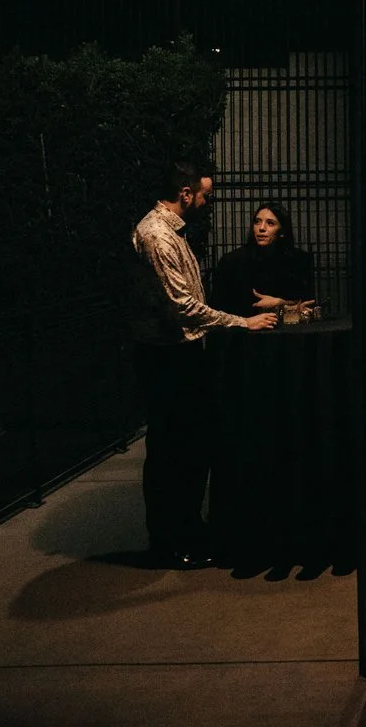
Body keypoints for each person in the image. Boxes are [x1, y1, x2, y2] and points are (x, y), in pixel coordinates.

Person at [129, 159, 277, 569]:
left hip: (178, 352)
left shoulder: (171, 232)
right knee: (173, 451)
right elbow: (183, 307)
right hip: (167, 355)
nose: (210, 203)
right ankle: (171, 541)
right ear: (186, 193)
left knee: (187, 448)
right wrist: (240, 322)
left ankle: (186, 532)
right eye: (206, 195)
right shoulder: (157, 235)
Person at [209, 201, 318, 319]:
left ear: (282, 232)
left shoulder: (300, 260)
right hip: (244, 334)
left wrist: (281, 304)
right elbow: (218, 309)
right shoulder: (231, 261)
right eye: (257, 222)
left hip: (288, 333)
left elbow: (308, 307)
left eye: (270, 223)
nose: (261, 228)